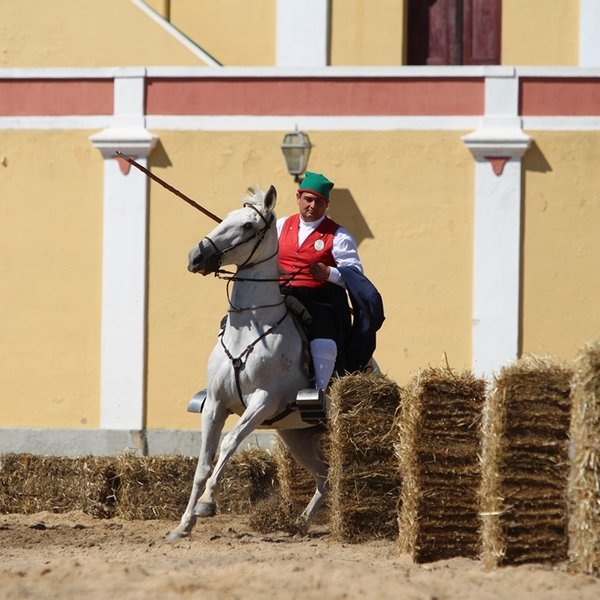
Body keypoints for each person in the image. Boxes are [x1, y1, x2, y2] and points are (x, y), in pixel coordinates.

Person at [277, 171, 365, 392]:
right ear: (298, 197)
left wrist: (329, 274)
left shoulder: (339, 236)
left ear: (326, 205)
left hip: (317, 299)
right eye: (308, 199)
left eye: (319, 202)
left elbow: (356, 275)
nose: (312, 205)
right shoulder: (278, 226)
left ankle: (320, 390)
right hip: (279, 294)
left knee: (323, 327)